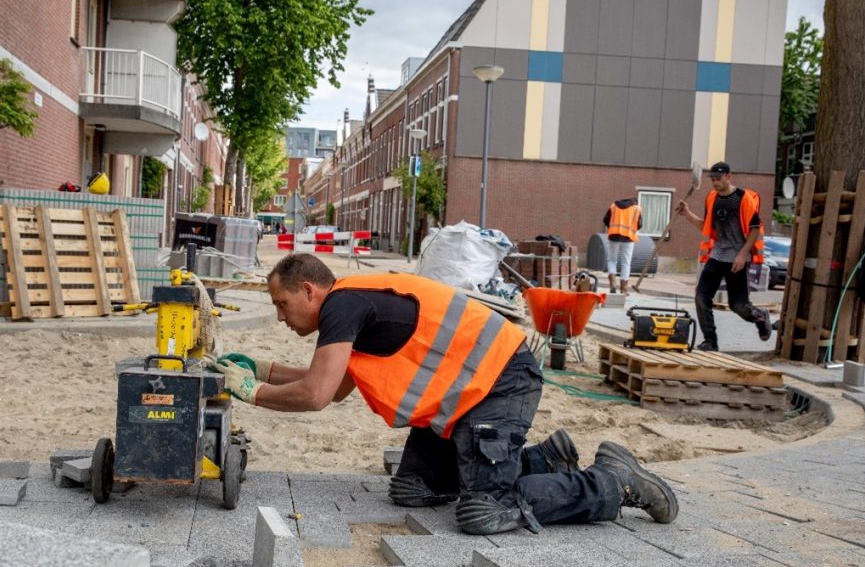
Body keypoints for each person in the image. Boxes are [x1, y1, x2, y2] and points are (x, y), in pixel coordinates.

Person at [212, 253, 678, 535]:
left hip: (500, 382)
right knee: (413, 488)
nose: (279, 317)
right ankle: (544, 461)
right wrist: (262, 369)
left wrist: (251, 392)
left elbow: (314, 395)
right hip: (466, 399)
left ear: (309, 291)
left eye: (282, 304)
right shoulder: (351, 304)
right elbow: (334, 389)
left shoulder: (343, 306)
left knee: (483, 512)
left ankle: (615, 483)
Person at [675, 161, 772, 352]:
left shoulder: (744, 198)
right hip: (718, 254)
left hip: (738, 256)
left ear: (729, 176)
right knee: (701, 298)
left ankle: (760, 317)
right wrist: (687, 214)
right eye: (712, 179)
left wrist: (742, 255)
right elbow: (708, 227)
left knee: (738, 305)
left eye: (718, 179)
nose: (715, 183)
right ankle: (710, 342)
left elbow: (754, 229)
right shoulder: (712, 198)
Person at [602, 197, 643, 294]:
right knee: (626, 263)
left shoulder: (614, 206)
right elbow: (640, 224)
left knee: (612, 260)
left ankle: (613, 283)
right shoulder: (636, 209)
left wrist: (612, 227)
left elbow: (605, 219)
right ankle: (623, 289)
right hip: (628, 238)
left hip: (614, 236)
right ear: (634, 202)